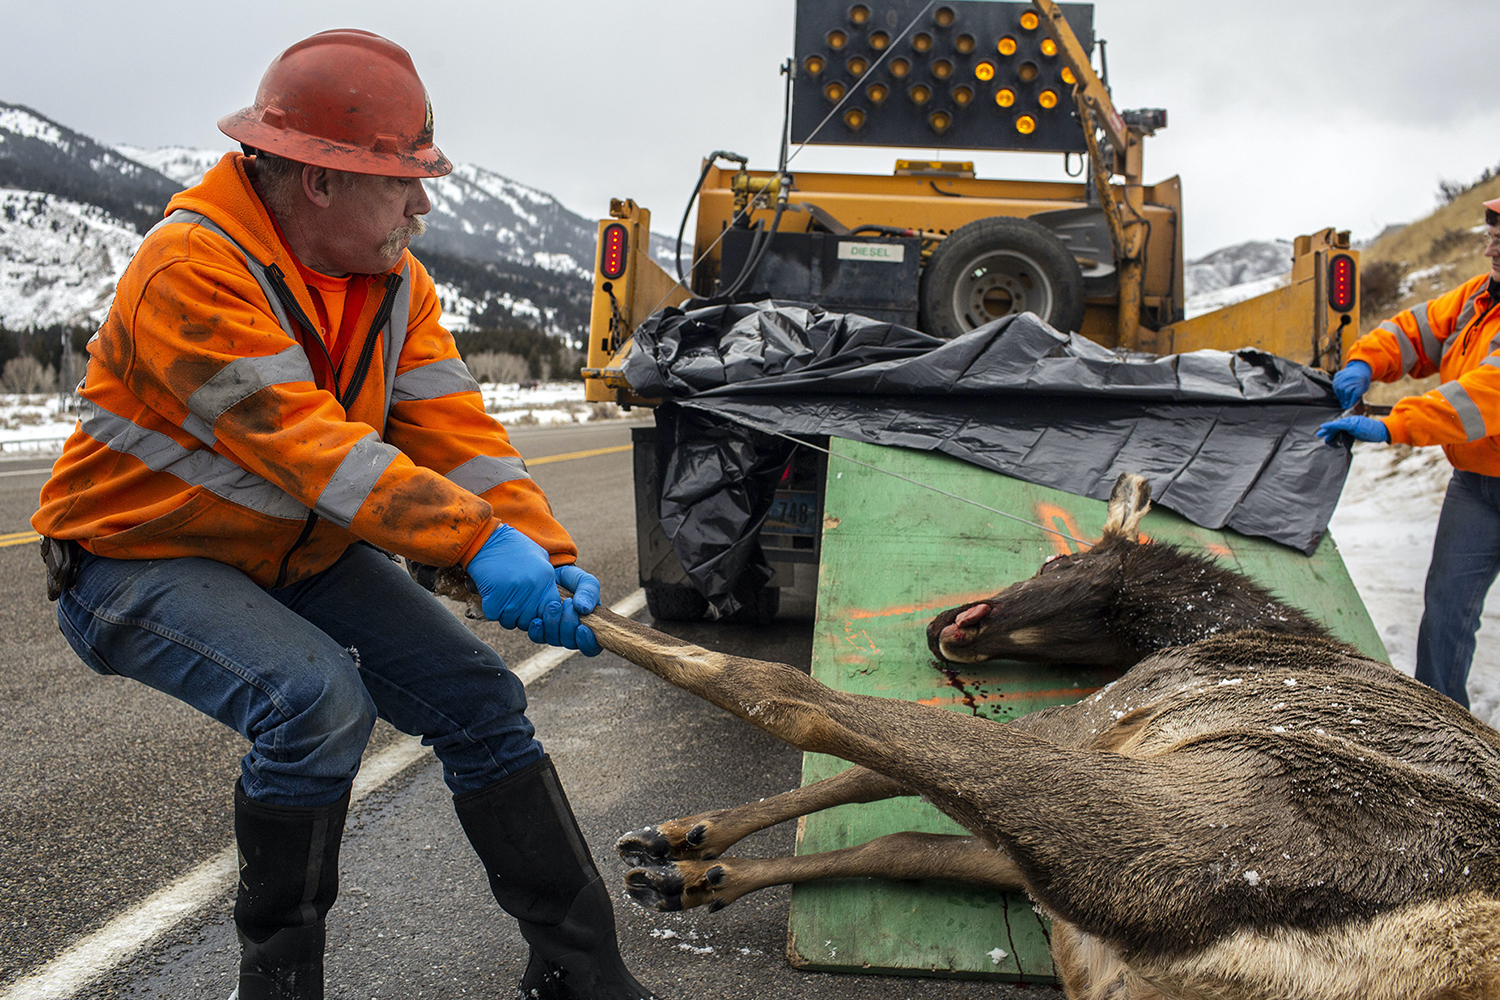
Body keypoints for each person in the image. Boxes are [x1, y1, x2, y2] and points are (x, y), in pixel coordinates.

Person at [32, 29, 658, 1000]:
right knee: (315, 703)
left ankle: (581, 971)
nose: (424, 202)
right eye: (402, 179)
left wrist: (540, 548)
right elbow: (310, 446)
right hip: (134, 559)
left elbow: (460, 432)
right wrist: (474, 543)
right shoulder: (189, 269)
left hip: (290, 551)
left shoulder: (396, 283)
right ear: (319, 179)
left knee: (481, 698)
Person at [1318, 196, 1500, 711]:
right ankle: (1440, 732)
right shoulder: (1479, 298)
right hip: (1476, 486)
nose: (1490, 245)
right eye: (1491, 232)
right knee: (1445, 613)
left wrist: (1394, 425)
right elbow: (1415, 330)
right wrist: (1364, 362)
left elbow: (1482, 397)